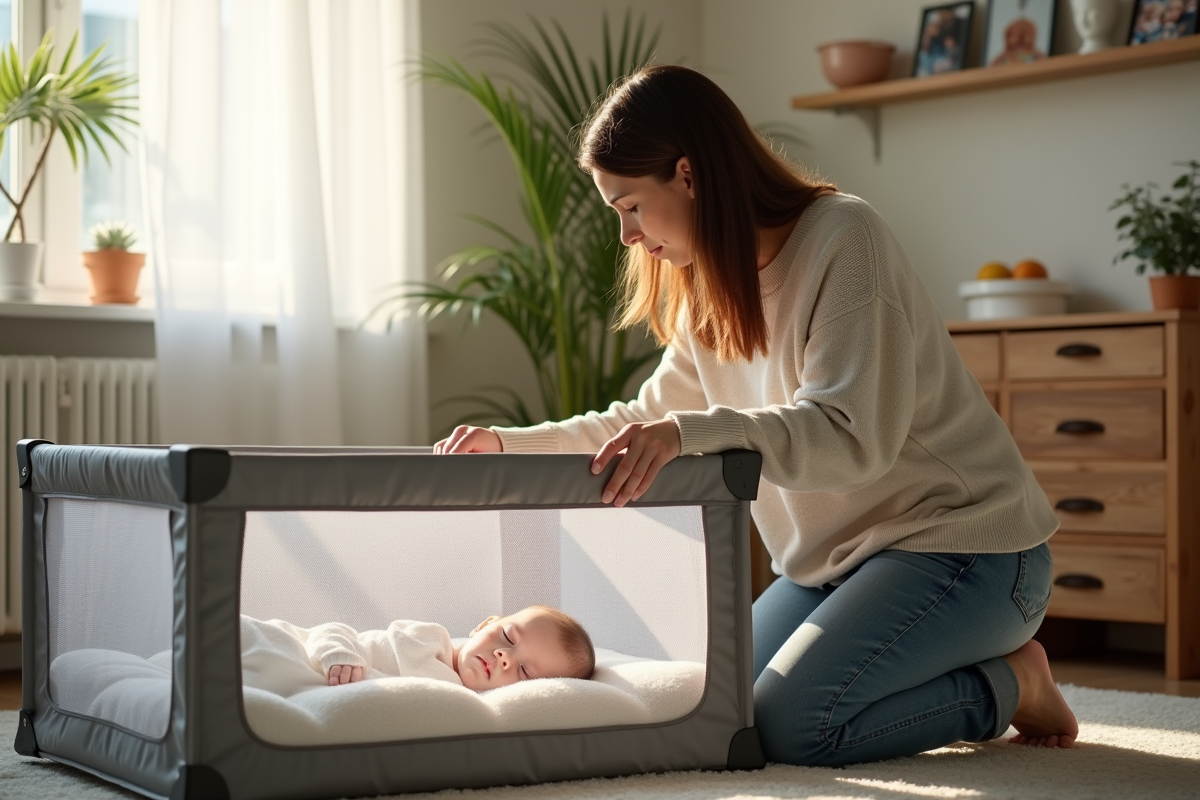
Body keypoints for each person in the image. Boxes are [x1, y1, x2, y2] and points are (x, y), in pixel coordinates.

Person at [433, 64, 1079, 765]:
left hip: (966, 547)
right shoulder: (709, 286)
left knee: (797, 724)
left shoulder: (843, 239)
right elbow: (645, 419)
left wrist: (690, 435)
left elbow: (849, 435)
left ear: (687, 174)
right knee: (723, 710)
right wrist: (507, 445)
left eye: (629, 207)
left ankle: (1013, 683)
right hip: (834, 567)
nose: (625, 236)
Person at [240, 605, 595, 695]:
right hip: (296, 650)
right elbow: (330, 631)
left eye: (525, 672)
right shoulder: (428, 640)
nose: (504, 656)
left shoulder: (469, 709)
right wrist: (340, 655)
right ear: (484, 625)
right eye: (508, 637)